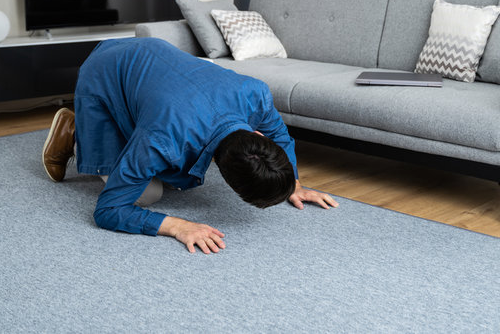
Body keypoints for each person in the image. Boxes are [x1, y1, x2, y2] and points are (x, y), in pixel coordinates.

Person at [42, 37, 337, 254]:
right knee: (150, 192)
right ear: (222, 174)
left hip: (155, 60)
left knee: (159, 164)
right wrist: (177, 226)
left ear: (259, 137)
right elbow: (108, 210)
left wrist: (292, 182)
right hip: (104, 71)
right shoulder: (163, 139)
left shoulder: (255, 93)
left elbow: (281, 138)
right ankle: (73, 129)